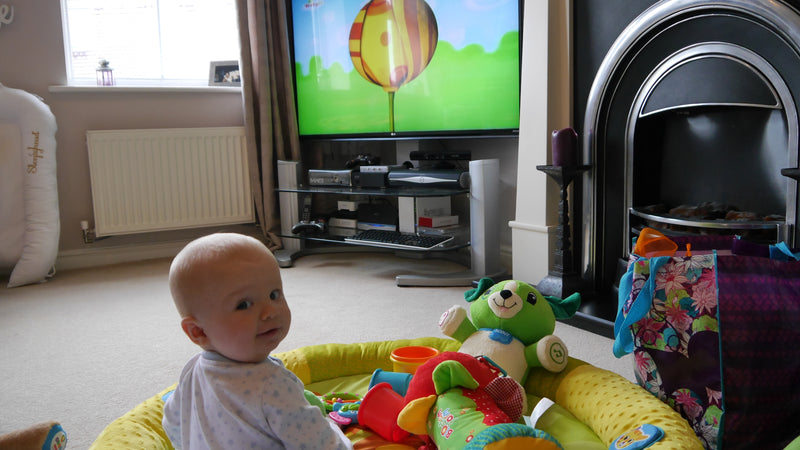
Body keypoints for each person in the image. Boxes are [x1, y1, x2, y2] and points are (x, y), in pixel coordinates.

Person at [162, 233, 352, 450]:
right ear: (198, 331)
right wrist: (336, 432)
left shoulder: (192, 371)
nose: (270, 311)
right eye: (243, 305)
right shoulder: (272, 384)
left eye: (274, 294)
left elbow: (173, 424)